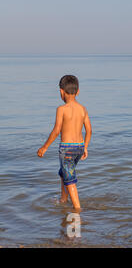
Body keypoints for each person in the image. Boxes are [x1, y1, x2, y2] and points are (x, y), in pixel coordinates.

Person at [37, 75, 92, 210]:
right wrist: (85, 147)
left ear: (61, 91)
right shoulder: (83, 109)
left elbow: (56, 130)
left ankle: (77, 209)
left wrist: (44, 147)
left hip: (67, 149)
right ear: (78, 91)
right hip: (79, 147)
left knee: (70, 180)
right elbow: (89, 130)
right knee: (64, 172)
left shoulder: (61, 109)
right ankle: (63, 199)